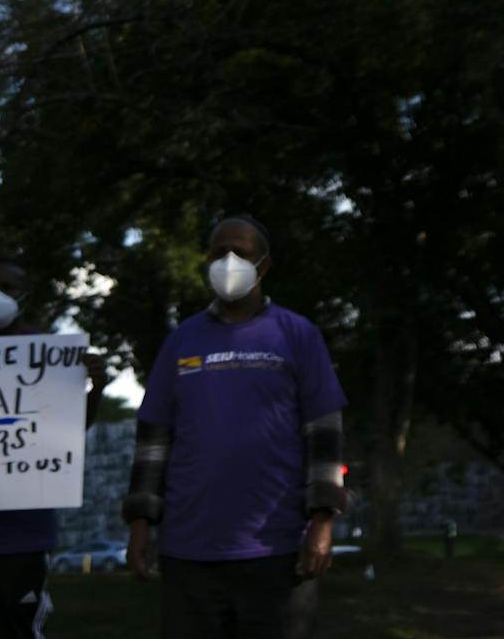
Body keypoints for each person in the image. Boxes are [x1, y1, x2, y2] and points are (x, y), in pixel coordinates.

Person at [122, 215, 347, 639]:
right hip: (188, 553)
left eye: (240, 253)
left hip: (278, 551)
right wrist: (139, 524)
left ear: (263, 264)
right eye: (218, 252)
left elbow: (325, 431)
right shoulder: (181, 341)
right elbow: (153, 438)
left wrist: (322, 521)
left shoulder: (297, 335)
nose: (228, 261)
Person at [0, 259, 108, 639]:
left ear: (24, 297)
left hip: (20, 536)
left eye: (7, 288)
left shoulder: (48, 358)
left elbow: (70, 429)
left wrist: (95, 389)